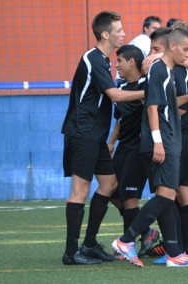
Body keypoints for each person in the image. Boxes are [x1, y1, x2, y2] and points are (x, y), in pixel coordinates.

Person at [112, 28, 188, 268]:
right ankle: (126, 240)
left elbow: (168, 103)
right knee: (166, 196)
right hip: (162, 142)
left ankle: (175, 253)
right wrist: (157, 141)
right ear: (173, 47)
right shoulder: (158, 69)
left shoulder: (167, 71)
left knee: (165, 197)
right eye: (186, 50)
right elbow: (152, 107)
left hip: (169, 140)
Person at [61, 11, 145, 265]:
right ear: (106, 34)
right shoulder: (93, 58)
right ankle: (71, 253)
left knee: (109, 185)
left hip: (94, 137)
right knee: (80, 191)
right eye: (119, 30)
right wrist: (150, 91)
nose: (123, 34)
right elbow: (116, 96)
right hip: (82, 133)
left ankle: (89, 244)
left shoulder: (103, 60)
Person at [107, 45, 160, 258]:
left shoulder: (147, 86)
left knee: (130, 199)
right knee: (109, 190)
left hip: (138, 150)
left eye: (119, 60)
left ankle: (126, 245)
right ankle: (146, 231)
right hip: (122, 147)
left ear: (131, 62)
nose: (116, 64)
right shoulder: (120, 86)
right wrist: (111, 143)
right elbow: (119, 120)